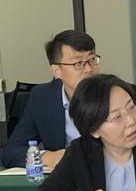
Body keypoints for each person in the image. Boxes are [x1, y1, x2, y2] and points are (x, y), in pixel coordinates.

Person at [1, 30, 101, 168]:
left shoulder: (116, 95)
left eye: (92, 59)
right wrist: (46, 157)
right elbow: (11, 151)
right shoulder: (42, 98)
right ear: (57, 71)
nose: (89, 69)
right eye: (78, 63)